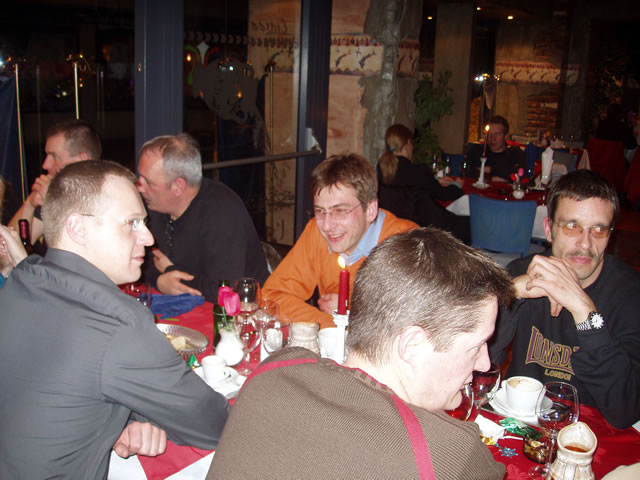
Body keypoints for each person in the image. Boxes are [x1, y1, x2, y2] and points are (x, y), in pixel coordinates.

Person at [207, 227, 515, 479]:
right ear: (412, 345)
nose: (485, 362)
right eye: (476, 346)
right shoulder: (450, 454)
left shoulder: (272, 371)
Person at [0, 161, 230, 479]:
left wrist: (132, 416)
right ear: (78, 228)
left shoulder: (22, 281)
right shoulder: (118, 323)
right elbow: (217, 426)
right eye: (132, 223)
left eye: (144, 222)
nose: (148, 237)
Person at [489, 169, 640, 429]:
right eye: (572, 226)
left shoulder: (630, 294)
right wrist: (508, 294)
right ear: (549, 230)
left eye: (599, 229)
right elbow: (476, 369)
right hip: (522, 425)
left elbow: (625, 410)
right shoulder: (521, 275)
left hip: (592, 434)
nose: (585, 244)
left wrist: (584, 310)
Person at [261, 153, 417, 329]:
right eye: (320, 211)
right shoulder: (317, 233)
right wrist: (331, 327)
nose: (327, 225)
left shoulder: (407, 244)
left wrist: (351, 315)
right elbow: (272, 296)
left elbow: (416, 325)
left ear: (370, 210)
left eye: (340, 211)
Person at [137, 133, 268, 302]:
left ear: (178, 186)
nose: (139, 187)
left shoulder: (223, 213)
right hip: (182, 304)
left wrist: (170, 271)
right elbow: (135, 265)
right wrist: (159, 281)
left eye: (148, 182)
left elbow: (224, 290)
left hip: (241, 309)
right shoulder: (152, 206)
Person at [8, 119, 102, 244]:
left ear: (81, 160)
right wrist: (30, 204)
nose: (45, 165)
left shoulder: (105, 198)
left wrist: (56, 202)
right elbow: (8, 245)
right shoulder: (55, 193)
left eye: (53, 156)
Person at [377, 123, 470, 243]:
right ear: (409, 143)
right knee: (469, 223)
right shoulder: (418, 171)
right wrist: (457, 185)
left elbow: (407, 183)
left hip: (394, 227)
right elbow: (443, 194)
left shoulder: (382, 169)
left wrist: (434, 180)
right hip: (425, 228)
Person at [467, 115, 525, 182]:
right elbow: (468, 171)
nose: (492, 138)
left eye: (497, 134)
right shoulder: (478, 150)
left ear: (506, 136)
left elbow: (520, 174)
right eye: (489, 133)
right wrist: (492, 179)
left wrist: (490, 170)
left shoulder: (514, 153)